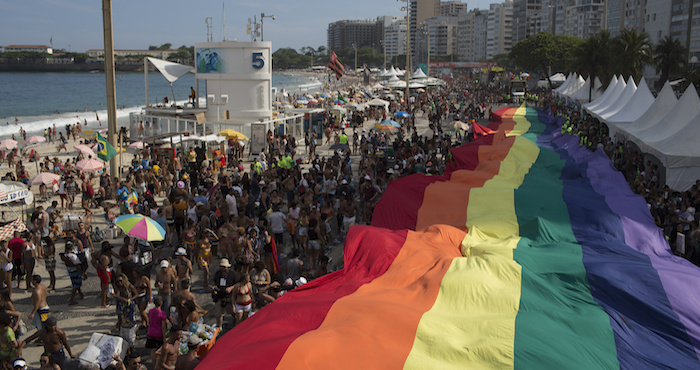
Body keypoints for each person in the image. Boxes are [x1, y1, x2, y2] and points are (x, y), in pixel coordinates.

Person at [211, 259, 235, 328]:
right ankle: (219, 327)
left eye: (224, 267)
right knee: (219, 313)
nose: (223, 268)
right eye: (222, 267)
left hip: (228, 297)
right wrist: (214, 286)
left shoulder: (232, 274)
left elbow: (236, 284)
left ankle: (235, 322)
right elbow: (213, 281)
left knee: (232, 312)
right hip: (219, 296)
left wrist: (231, 288)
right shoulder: (217, 273)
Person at [146, 296, 168, 365]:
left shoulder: (150, 311)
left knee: (152, 350)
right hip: (159, 334)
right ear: (161, 303)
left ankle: (154, 364)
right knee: (159, 351)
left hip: (150, 333)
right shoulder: (162, 313)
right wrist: (164, 337)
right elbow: (163, 326)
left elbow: (149, 321)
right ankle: (158, 366)